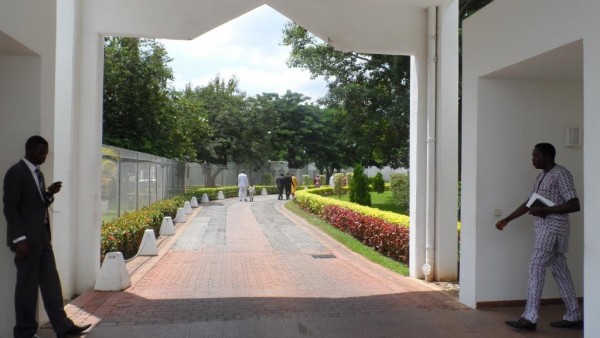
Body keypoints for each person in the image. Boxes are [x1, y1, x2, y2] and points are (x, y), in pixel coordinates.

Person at [3, 136, 91, 338]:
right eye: (41, 152)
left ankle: (63, 327)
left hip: (42, 238)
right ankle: (24, 332)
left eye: (46, 153)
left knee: (51, 283)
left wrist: (49, 194)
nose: (44, 156)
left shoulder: (38, 174)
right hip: (26, 242)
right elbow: (10, 209)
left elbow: (36, 205)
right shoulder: (16, 173)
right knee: (27, 288)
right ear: (30, 150)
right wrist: (19, 240)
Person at [496, 143, 583, 331]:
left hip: (553, 229)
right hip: (544, 229)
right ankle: (574, 315)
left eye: (536, 156)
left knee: (536, 266)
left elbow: (574, 204)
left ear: (547, 157)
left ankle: (530, 317)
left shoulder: (561, 174)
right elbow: (529, 203)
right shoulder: (541, 176)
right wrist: (507, 219)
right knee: (560, 271)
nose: (532, 159)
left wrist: (544, 209)